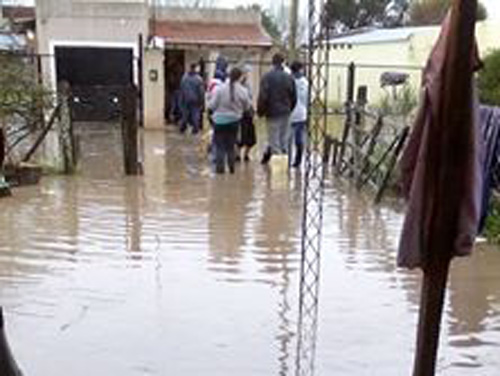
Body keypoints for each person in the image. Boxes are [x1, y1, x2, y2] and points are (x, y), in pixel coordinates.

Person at [208, 67, 252, 174]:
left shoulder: (219, 89)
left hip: (218, 122)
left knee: (220, 147)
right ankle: (231, 170)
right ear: (240, 77)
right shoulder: (243, 91)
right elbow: (247, 107)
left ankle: (220, 172)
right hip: (234, 122)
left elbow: (212, 105)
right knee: (231, 146)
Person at [257, 53, 297, 164]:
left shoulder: (267, 77)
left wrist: (260, 112)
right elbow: (294, 97)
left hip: (272, 113)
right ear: (283, 62)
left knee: (274, 142)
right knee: (283, 142)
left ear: (272, 62)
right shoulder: (289, 78)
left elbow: (263, 97)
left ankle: (278, 173)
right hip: (286, 112)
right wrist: (289, 108)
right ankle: (284, 169)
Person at [289, 61, 309, 168]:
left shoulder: (288, 80)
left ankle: (286, 160)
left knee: (286, 139)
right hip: (301, 114)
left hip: (289, 113)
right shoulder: (305, 82)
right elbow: (308, 99)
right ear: (300, 69)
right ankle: (298, 161)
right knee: (299, 138)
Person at [237, 64, 257, 162]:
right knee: (240, 136)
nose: (247, 75)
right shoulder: (237, 85)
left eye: (248, 73)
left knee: (250, 137)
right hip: (239, 113)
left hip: (248, 113)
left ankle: (246, 155)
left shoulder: (248, 84)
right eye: (246, 73)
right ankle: (237, 154)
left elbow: (250, 98)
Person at [179, 63, 205, 134]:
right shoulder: (199, 79)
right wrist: (202, 102)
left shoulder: (184, 78)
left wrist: (181, 101)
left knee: (185, 115)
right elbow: (201, 92)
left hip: (186, 100)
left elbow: (181, 90)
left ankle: (182, 128)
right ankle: (195, 129)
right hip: (195, 101)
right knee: (195, 115)